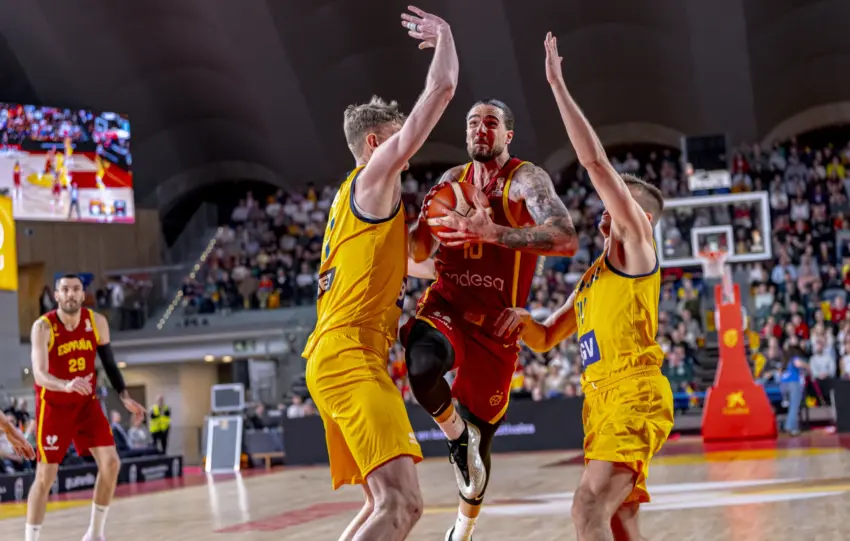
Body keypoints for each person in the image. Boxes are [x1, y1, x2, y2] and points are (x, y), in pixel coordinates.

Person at [495, 34, 674, 541]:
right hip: (599, 400)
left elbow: (595, 163)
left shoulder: (638, 247)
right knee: (619, 518)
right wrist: (516, 320)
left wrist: (556, 85)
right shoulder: (596, 275)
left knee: (587, 506)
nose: (604, 206)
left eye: (617, 200)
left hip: (632, 393)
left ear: (636, 215)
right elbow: (549, 335)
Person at [300, 6, 458, 541]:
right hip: (348, 355)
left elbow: (422, 265)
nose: (404, 149)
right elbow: (439, 94)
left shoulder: (359, 207)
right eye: (394, 137)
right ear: (374, 144)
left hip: (337, 354)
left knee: (380, 504)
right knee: (401, 503)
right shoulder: (372, 179)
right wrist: (446, 41)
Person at [404, 95, 578, 539]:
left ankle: (462, 531)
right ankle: (455, 436)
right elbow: (419, 252)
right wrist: (420, 220)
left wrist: (493, 231)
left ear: (507, 134)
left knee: (484, 442)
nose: (480, 129)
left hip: (497, 322)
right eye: (472, 122)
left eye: (491, 122)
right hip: (448, 302)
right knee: (421, 366)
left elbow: (564, 239)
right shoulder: (449, 182)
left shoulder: (524, 180)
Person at [26, 274, 145, 541]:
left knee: (112, 464)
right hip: (54, 405)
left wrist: (124, 395)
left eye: (75, 289)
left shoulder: (97, 322)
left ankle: (95, 533)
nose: (70, 294)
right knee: (45, 476)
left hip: (86, 404)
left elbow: (109, 363)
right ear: (56, 296)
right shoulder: (43, 327)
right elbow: (39, 374)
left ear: (83, 295)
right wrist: (65, 385)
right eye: (64, 290)